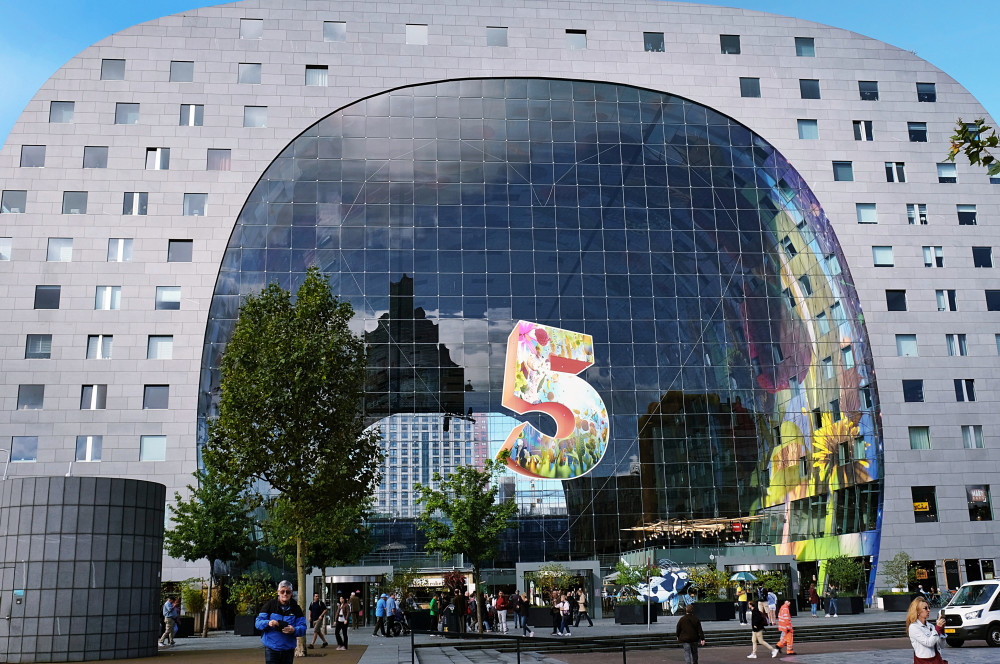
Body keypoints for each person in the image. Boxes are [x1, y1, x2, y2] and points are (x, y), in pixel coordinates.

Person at [255, 580, 307, 664]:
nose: (285, 594)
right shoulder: (269, 605)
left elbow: (303, 628)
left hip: (288, 650)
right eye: (282, 591)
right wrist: (268, 623)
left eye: (288, 592)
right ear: (278, 592)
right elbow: (257, 623)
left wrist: (294, 630)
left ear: (291, 593)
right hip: (271, 649)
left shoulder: (296, 608)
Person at [906, 596, 947, 664]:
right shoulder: (913, 627)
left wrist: (941, 630)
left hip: (936, 659)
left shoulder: (931, 626)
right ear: (917, 611)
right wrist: (937, 628)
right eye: (925, 608)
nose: (928, 610)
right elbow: (928, 643)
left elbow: (942, 645)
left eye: (929, 608)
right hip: (924, 661)